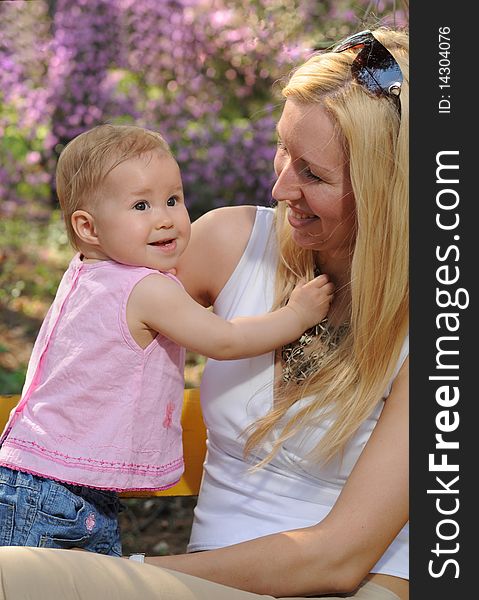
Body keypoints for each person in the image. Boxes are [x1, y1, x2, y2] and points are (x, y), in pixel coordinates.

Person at [0, 25, 409, 600]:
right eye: (283, 147)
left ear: (386, 189)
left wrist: (118, 577)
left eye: (313, 173)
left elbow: (335, 560)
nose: (279, 184)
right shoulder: (231, 242)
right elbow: (95, 323)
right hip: (193, 583)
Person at [0, 124, 333, 557]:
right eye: (141, 205)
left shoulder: (87, 273)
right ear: (89, 227)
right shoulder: (148, 290)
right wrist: (296, 314)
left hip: (40, 479)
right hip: (59, 497)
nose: (165, 217)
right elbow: (225, 340)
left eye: (173, 199)